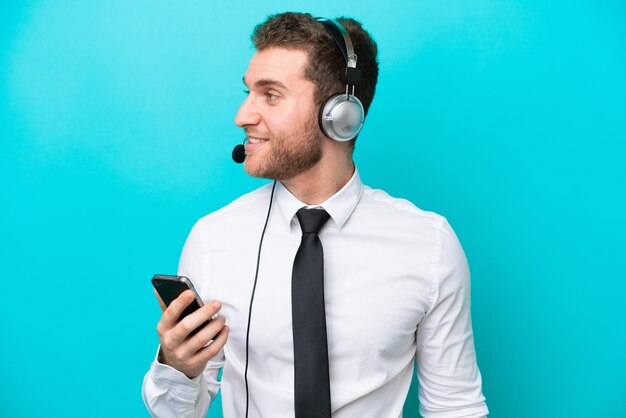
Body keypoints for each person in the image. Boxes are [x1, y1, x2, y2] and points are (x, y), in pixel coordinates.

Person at [142, 12, 488, 418]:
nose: (242, 116)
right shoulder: (213, 239)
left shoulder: (429, 245)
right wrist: (179, 368)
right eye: (248, 92)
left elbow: (455, 407)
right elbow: (179, 413)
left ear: (340, 114)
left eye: (270, 95)